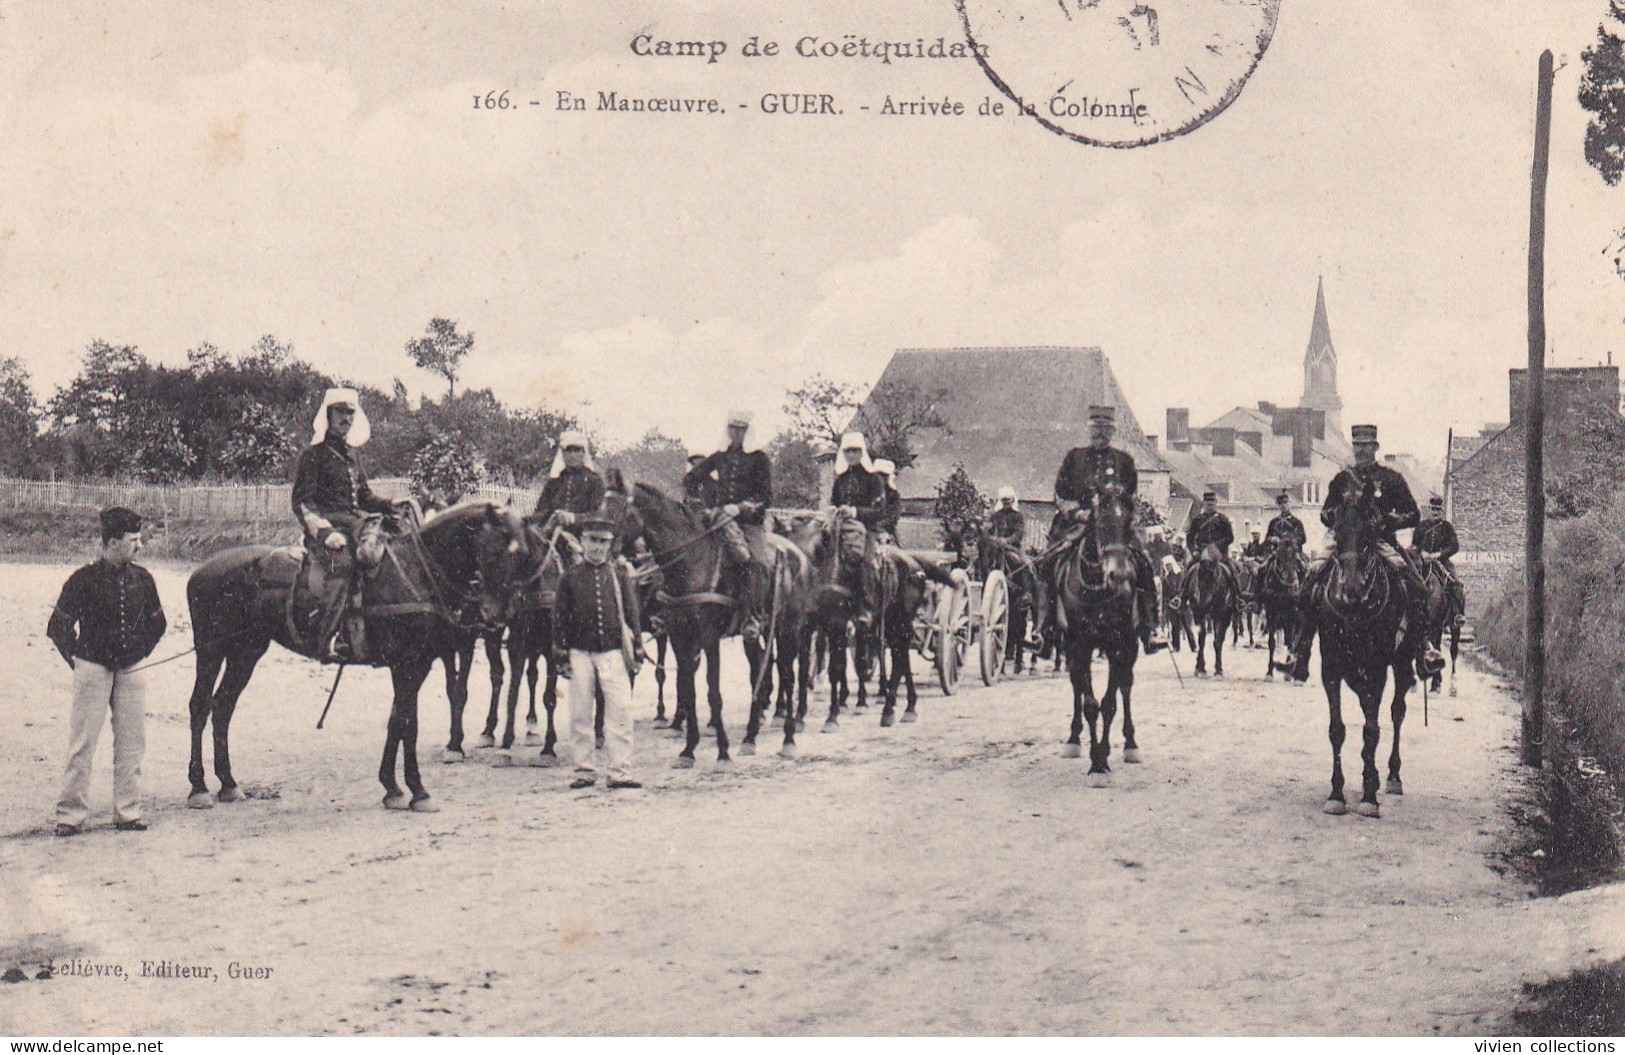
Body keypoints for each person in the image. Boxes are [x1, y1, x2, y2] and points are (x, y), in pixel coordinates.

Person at [47, 507, 167, 835]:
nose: (140, 546)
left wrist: (138, 654)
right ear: (113, 542)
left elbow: (158, 624)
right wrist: (82, 662)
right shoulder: (82, 580)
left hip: (131, 671)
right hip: (92, 670)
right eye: (133, 540)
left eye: (139, 539)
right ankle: (70, 816)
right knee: (83, 743)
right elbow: (57, 627)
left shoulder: (144, 579)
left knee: (132, 743)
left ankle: (128, 812)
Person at [1300, 424, 1441, 675]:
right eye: (1357, 445)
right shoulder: (1342, 479)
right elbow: (1325, 512)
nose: (1361, 450)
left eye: (1366, 445)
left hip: (1379, 540)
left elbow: (1413, 514)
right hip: (1343, 542)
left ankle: (1424, 647)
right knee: (1312, 575)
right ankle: (1300, 648)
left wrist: (1389, 520)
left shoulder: (1390, 479)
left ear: (1375, 447)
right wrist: (1337, 519)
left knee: (1414, 582)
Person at [1041, 404, 1167, 654]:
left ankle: (1150, 629)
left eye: (1106, 428)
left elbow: (1130, 499)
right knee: (1049, 563)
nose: (1101, 433)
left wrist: (1118, 513)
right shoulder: (1074, 458)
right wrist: (1077, 511)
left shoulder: (1124, 462)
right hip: (1077, 525)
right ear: (1090, 428)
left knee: (1143, 563)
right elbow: (1060, 494)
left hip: (1114, 530)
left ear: (1113, 431)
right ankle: (1043, 629)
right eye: (1097, 428)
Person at [290, 388, 405, 660]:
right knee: (343, 566)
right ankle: (326, 640)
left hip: (354, 525)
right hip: (328, 533)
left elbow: (363, 496)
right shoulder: (313, 455)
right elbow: (303, 503)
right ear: (328, 415)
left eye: (350, 413)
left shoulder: (352, 455)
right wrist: (325, 532)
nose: (346, 418)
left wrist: (390, 505)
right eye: (340, 412)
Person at [552, 513, 643, 789]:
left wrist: (636, 647)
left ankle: (620, 771)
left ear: (610, 545)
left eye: (603, 542)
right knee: (580, 713)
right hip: (580, 653)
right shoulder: (569, 578)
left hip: (612, 653)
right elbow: (559, 619)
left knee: (621, 711)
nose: (597, 548)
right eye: (592, 541)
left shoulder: (619, 576)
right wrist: (561, 654)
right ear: (582, 541)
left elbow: (631, 614)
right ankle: (585, 770)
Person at [685, 410, 774, 641]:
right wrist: (701, 500)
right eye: (732, 428)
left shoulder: (759, 458)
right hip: (720, 520)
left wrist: (742, 508)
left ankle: (753, 617)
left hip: (749, 524)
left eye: (741, 429)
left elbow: (765, 497)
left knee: (757, 562)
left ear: (748, 431)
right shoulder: (719, 457)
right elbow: (690, 478)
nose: (736, 433)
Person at [829, 431, 887, 628]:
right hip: (841, 528)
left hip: (867, 529)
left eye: (855, 451)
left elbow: (879, 511)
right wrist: (833, 510)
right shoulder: (840, 480)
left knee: (866, 560)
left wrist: (854, 511)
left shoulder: (873, 480)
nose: (851, 455)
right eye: (847, 451)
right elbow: (834, 502)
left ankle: (865, 606)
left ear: (862, 453)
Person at [534, 429, 606, 529]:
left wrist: (573, 518)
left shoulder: (594, 481)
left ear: (583, 453)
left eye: (576, 450)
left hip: (582, 538)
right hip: (551, 535)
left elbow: (598, 515)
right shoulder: (554, 483)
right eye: (568, 450)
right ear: (562, 453)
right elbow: (540, 513)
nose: (572, 455)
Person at [1412, 495, 1466, 617]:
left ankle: (1457, 616)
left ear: (1441, 511)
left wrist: (1439, 554)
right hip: (1423, 562)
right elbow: (1414, 546)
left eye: (1438, 510)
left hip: (1442, 562)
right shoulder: (1421, 526)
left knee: (1456, 585)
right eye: (1433, 509)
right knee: (1408, 581)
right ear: (1429, 510)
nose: (1435, 512)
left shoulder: (1447, 527)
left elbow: (1454, 546)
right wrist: (1421, 552)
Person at [1184, 492, 1239, 583]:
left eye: (1212, 501)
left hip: (1220, 553)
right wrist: (1194, 551)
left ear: (1216, 502)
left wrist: (1216, 545)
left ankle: (1237, 594)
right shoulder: (1197, 520)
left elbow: (1230, 537)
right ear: (1204, 503)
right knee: (1188, 571)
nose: (1210, 504)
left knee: (1232, 571)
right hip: (1201, 552)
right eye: (1207, 501)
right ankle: (1182, 595)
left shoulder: (1223, 519)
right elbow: (1190, 538)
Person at [873, 458, 903, 543]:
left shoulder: (893, 495)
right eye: (878, 474)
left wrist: (879, 524)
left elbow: (893, 517)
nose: (881, 478)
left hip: (884, 529)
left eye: (884, 475)